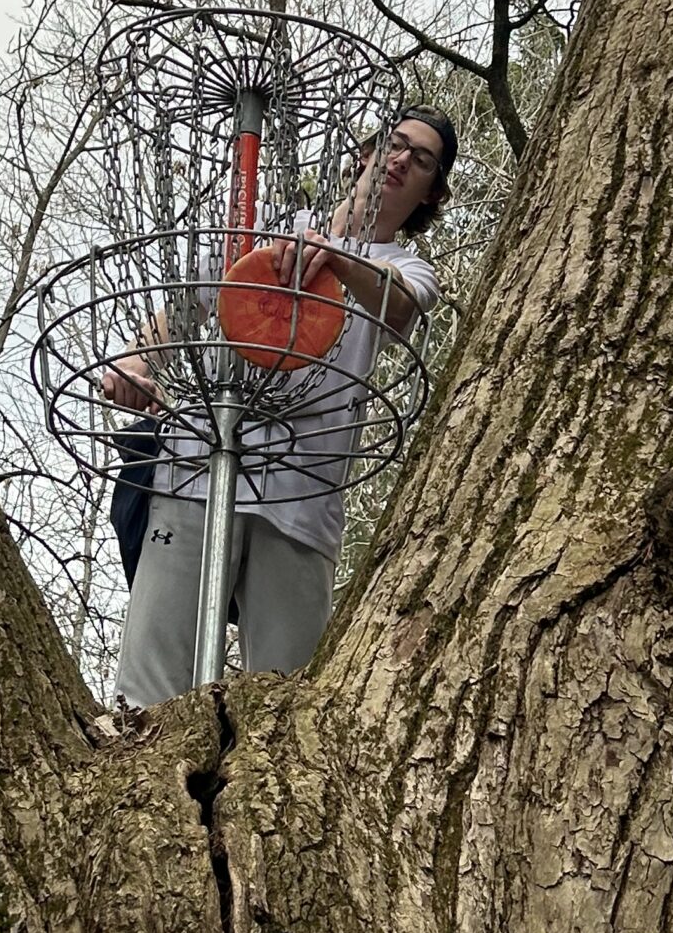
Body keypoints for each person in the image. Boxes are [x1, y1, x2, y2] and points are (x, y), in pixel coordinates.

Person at [101, 109, 455, 710]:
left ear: (430, 192)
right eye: (393, 145)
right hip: (199, 464)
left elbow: (398, 306)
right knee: (149, 692)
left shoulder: (406, 268)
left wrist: (337, 259)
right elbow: (192, 303)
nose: (399, 161)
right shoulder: (269, 227)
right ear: (364, 154)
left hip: (302, 496)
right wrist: (137, 362)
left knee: (285, 701)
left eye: (420, 159)